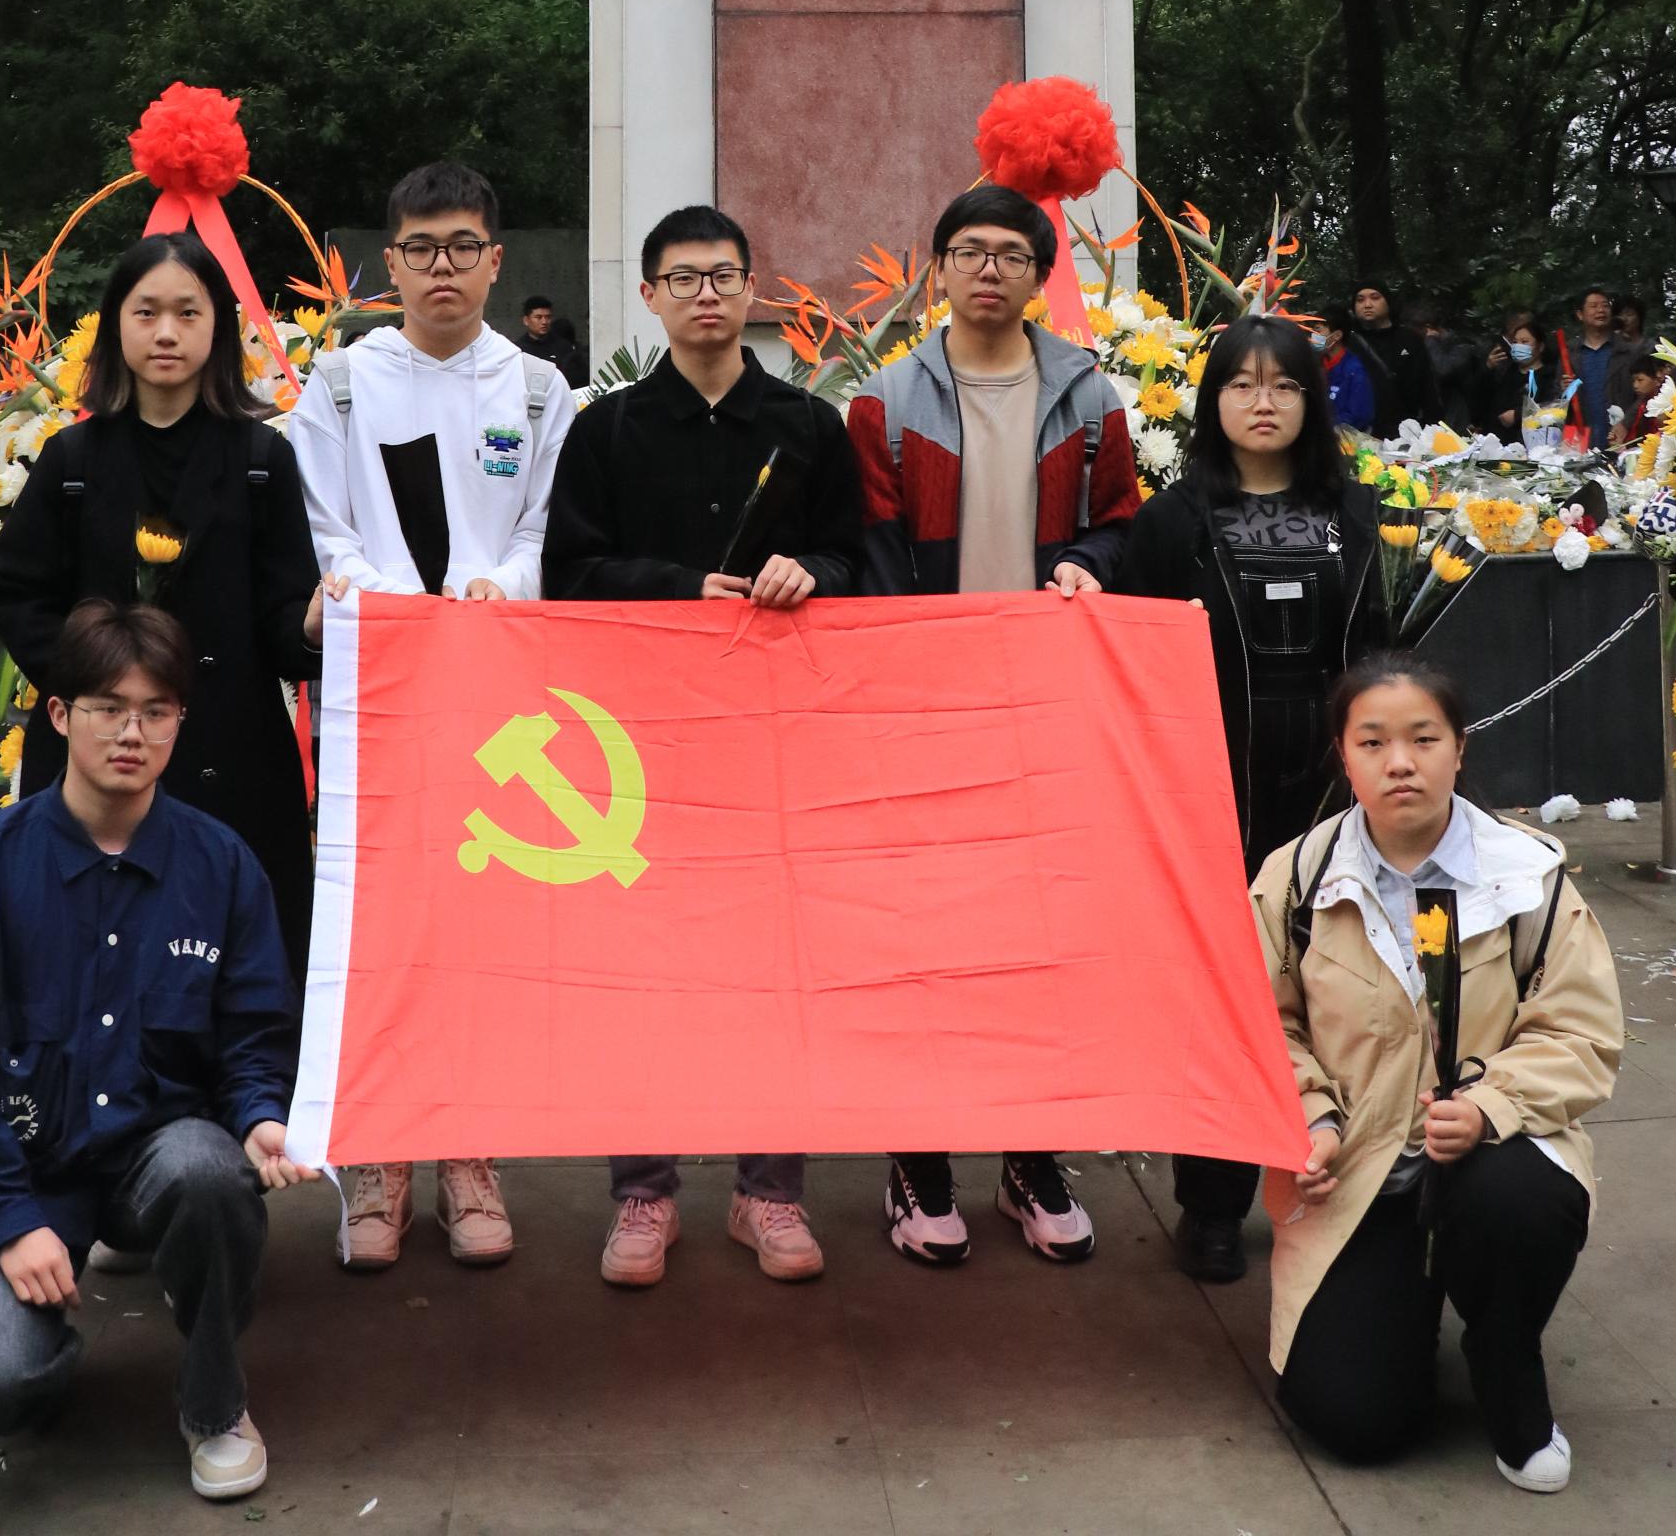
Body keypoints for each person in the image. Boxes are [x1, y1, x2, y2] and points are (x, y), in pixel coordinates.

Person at [0, 600, 313, 1503]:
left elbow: (256, 1025)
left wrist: (259, 1115)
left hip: (155, 1153)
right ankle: (36, 1344)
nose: (132, 733)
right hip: (22, 1166)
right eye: (107, 708)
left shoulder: (221, 866)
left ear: (180, 722)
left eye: (156, 711)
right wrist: (10, 1220)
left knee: (211, 1176)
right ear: (59, 715)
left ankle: (215, 1402)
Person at [543, 203, 863, 1290]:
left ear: (750, 288)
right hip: (644, 747)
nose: (706, 295)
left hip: (779, 739)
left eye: (723, 275)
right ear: (650, 297)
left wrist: (813, 573)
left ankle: (768, 1188)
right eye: (682, 278)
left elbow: (861, 559)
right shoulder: (606, 432)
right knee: (646, 968)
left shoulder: (809, 427)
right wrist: (681, 589)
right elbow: (568, 577)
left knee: (774, 964)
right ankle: (643, 1190)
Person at [290, 158, 575, 1275]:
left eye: (462, 247)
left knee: (479, 930)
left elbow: (544, 527)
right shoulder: (341, 386)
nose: (441, 268)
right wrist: (390, 605)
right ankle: (375, 1159)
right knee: (374, 925)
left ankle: (468, 1152)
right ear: (390, 265)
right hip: (378, 692)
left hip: (497, 700)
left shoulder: (540, 391)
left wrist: (504, 587)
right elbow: (322, 527)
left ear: (495, 261)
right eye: (420, 249)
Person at [848, 182, 1140, 1271]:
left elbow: (1121, 523)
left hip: (1046, 711)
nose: (987, 270)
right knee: (922, 940)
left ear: (1037, 276)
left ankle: (1030, 1157)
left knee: (1040, 943)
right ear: (938, 270)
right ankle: (917, 1161)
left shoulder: (1088, 398)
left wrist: (1089, 564)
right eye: (968, 252)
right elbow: (874, 555)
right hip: (925, 712)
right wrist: (912, 682)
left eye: (1010, 254)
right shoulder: (885, 403)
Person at [1258, 653, 1623, 1493]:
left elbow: (1581, 1030)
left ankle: (1505, 1356)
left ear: (1460, 748)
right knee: (1356, 1420)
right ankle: (1402, 1309)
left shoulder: (1526, 875)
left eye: (1424, 739)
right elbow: (1260, 1023)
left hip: (1485, 1159)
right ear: (1343, 756)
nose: (1400, 763)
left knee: (1520, 1201)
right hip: (1359, 1172)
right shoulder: (1297, 877)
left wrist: (1492, 1105)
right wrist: (1310, 1117)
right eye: (1373, 742)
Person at [1112, 314, 1390, 1285]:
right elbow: (1134, 649)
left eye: (1283, 385)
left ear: (1310, 401)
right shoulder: (1171, 520)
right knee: (1223, 995)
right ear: (1212, 400)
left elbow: (1378, 648)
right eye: (1241, 384)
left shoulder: (1354, 513)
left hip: (1327, 785)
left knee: (1339, 988)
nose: (1262, 402)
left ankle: (1342, 1187)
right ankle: (1213, 1204)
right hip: (1211, 784)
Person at [0, 233, 324, 981]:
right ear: (116, 325)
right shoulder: (73, 459)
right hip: (99, 754)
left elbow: (284, 622)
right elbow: (14, 590)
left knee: (237, 968)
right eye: (146, 312)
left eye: (187, 312)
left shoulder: (262, 461)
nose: (166, 332)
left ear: (218, 326)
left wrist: (311, 623)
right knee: (77, 963)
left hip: (232, 753)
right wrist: (92, 684)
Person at [1351, 282, 1435, 434]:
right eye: (1360, 300)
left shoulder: (1409, 339)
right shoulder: (1349, 344)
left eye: (1375, 298)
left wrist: (1434, 427)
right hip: (1363, 434)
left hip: (1408, 430)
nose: (1367, 305)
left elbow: (1428, 386)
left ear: (1388, 302)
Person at [1567, 287, 1634, 451]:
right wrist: (1563, 389)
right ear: (1580, 314)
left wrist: (1626, 422)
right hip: (1581, 438)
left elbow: (1643, 394)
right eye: (1594, 306)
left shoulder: (1626, 350)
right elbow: (1557, 400)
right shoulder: (1570, 353)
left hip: (1620, 436)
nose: (1601, 310)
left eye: (1605, 305)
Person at [1411, 298, 1481, 437]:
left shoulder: (1461, 346)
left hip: (1455, 422)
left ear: (1428, 328)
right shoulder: (1424, 347)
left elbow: (1443, 369)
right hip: (1430, 420)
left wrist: (1431, 340)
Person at [1477, 310, 1545, 447]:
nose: (1519, 346)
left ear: (1540, 346)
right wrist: (1488, 368)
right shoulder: (1505, 371)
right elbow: (1482, 398)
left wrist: (1518, 415)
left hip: (1531, 446)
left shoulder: (1548, 375)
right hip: (1497, 443)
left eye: (1524, 342)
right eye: (1515, 342)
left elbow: (1551, 408)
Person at [1318, 305, 1376, 433]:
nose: (1313, 336)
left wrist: (1324, 427)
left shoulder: (1355, 369)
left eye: (1318, 330)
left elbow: (1360, 415)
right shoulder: (1315, 363)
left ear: (1337, 335)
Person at [516, 292, 587, 389]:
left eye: (548, 317)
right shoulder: (518, 349)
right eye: (538, 317)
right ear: (526, 320)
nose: (544, 322)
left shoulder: (563, 346)